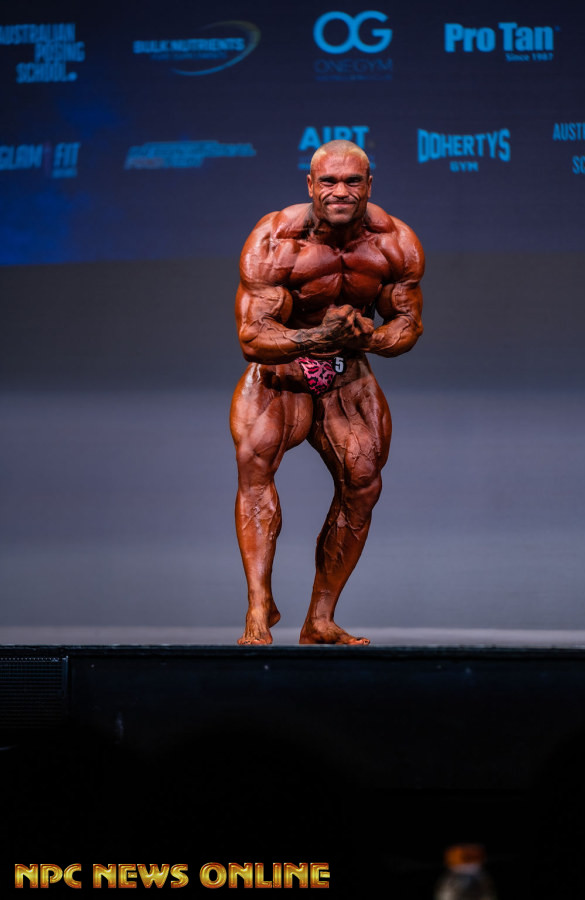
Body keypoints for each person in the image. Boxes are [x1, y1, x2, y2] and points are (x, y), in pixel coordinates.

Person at [230, 140, 424, 645]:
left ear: (369, 185)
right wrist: (318, 337)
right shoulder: (275, 238)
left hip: (345, 371)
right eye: (329, 181)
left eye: (353, 181)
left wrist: (370, 339)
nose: (341, 191)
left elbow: (407, 324)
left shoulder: (395, 241)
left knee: (364, 486)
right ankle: (257, 609)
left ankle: (319, 618)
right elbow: (252, 337)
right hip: (283, 369)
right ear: (310, 184)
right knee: (255, 468)